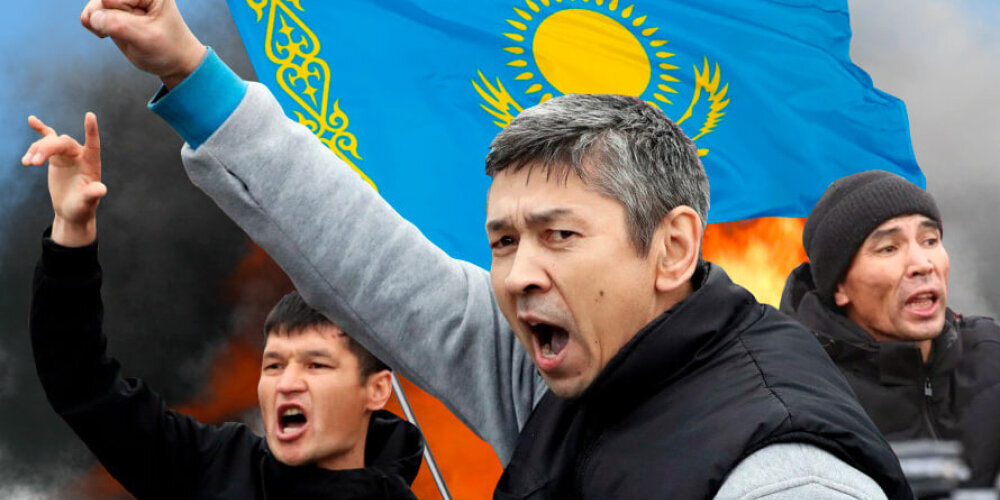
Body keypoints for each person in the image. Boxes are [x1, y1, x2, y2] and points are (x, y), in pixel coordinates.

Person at [76, 1, 913, 497]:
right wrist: (191, 74)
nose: (517, 275)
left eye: (559, 236)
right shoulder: (559, 371)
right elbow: (371, 260)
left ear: (672, 247)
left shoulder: (786, 472)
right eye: (503, 241)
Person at [23, 113, 424, 499]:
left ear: (376, 390)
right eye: (274, 365)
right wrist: (71, 230)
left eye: (316, 365)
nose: (287, 383)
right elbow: (80, 382)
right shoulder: (214, 468)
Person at [781, 170, 1000, 488]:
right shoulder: (800, 399)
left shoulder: (991, 355)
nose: (922, 264)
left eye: (930, 241)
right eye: (888, 248)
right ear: (840, 286)